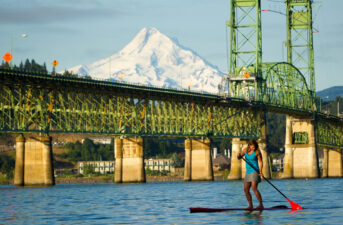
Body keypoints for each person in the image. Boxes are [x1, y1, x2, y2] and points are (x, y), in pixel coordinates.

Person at [237, 139, 264, 210]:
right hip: (248, 172)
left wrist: (260, 171)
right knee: (246, 189)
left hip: (255, 171)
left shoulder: (257, 152)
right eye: (252, 147)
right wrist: (238, 155)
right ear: (249, 145)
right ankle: (250, 205)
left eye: (254, 147)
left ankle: (261, 205)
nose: (254, 148)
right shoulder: (245, 150)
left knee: (254, 188)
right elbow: (239, 158)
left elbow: (260, 162)